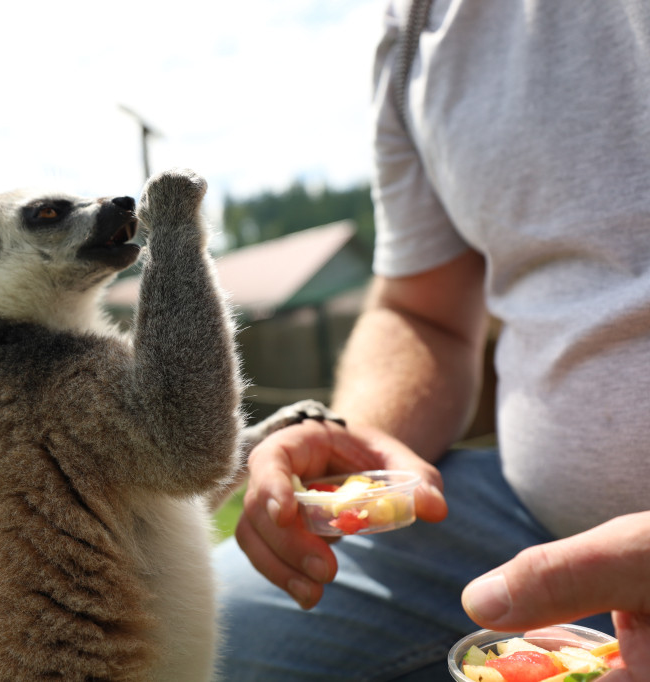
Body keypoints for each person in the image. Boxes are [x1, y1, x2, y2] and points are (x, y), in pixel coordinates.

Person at [214, 0, 649, 679]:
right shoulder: (418, 22)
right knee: (192, 628)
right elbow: (425, 313)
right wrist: (357, 443)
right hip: (516, 518)